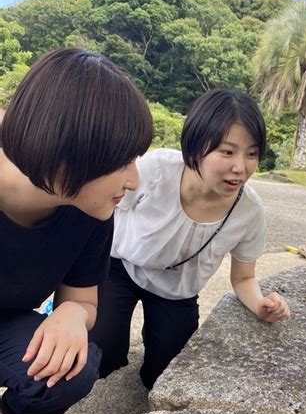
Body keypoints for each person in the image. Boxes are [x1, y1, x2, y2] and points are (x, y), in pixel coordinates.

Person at [0, 47, 153, 414]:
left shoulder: (90, 213)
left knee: (75, 364)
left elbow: (84, 301)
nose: (135, 180)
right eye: (123, 161)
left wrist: (70, 313)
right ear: (69, 155)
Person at [90, 88, 290, 390]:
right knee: (100, 355)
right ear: (196, 146)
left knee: (165, 379)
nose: (241, 167)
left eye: (251, 154)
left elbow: (244, 277)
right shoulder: (155, 170)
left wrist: (261, 303)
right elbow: (105, 212)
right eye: (227, 151)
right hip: (120, 268)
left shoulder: (250, 211)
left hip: (177, 291)